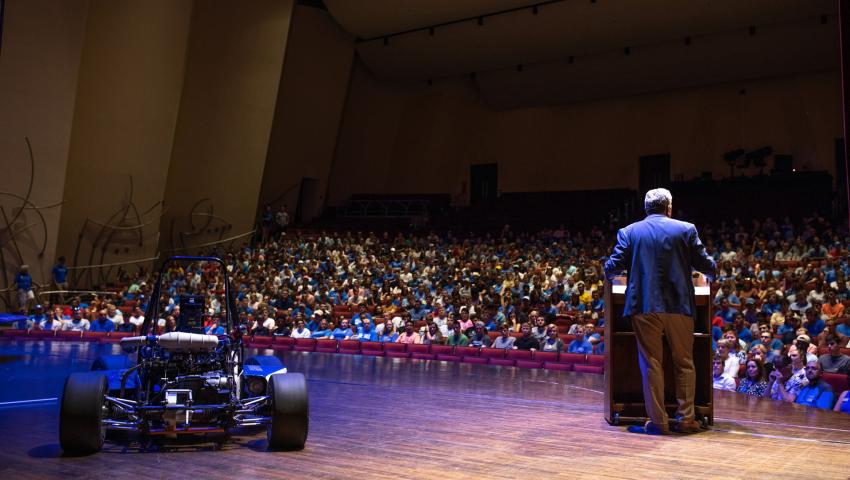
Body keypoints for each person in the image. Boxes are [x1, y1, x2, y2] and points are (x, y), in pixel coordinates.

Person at [604, 188, 716, 435]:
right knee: (684, 362)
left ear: (646, 208)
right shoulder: (686, 229)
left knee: (651, 364)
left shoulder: (629, 231)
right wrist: (712, 271)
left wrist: (611, 273)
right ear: (669, 208)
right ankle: (686, 419)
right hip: (679, 304)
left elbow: (613, 266)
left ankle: (658, 422)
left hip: (644, 305)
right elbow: (705, 264)